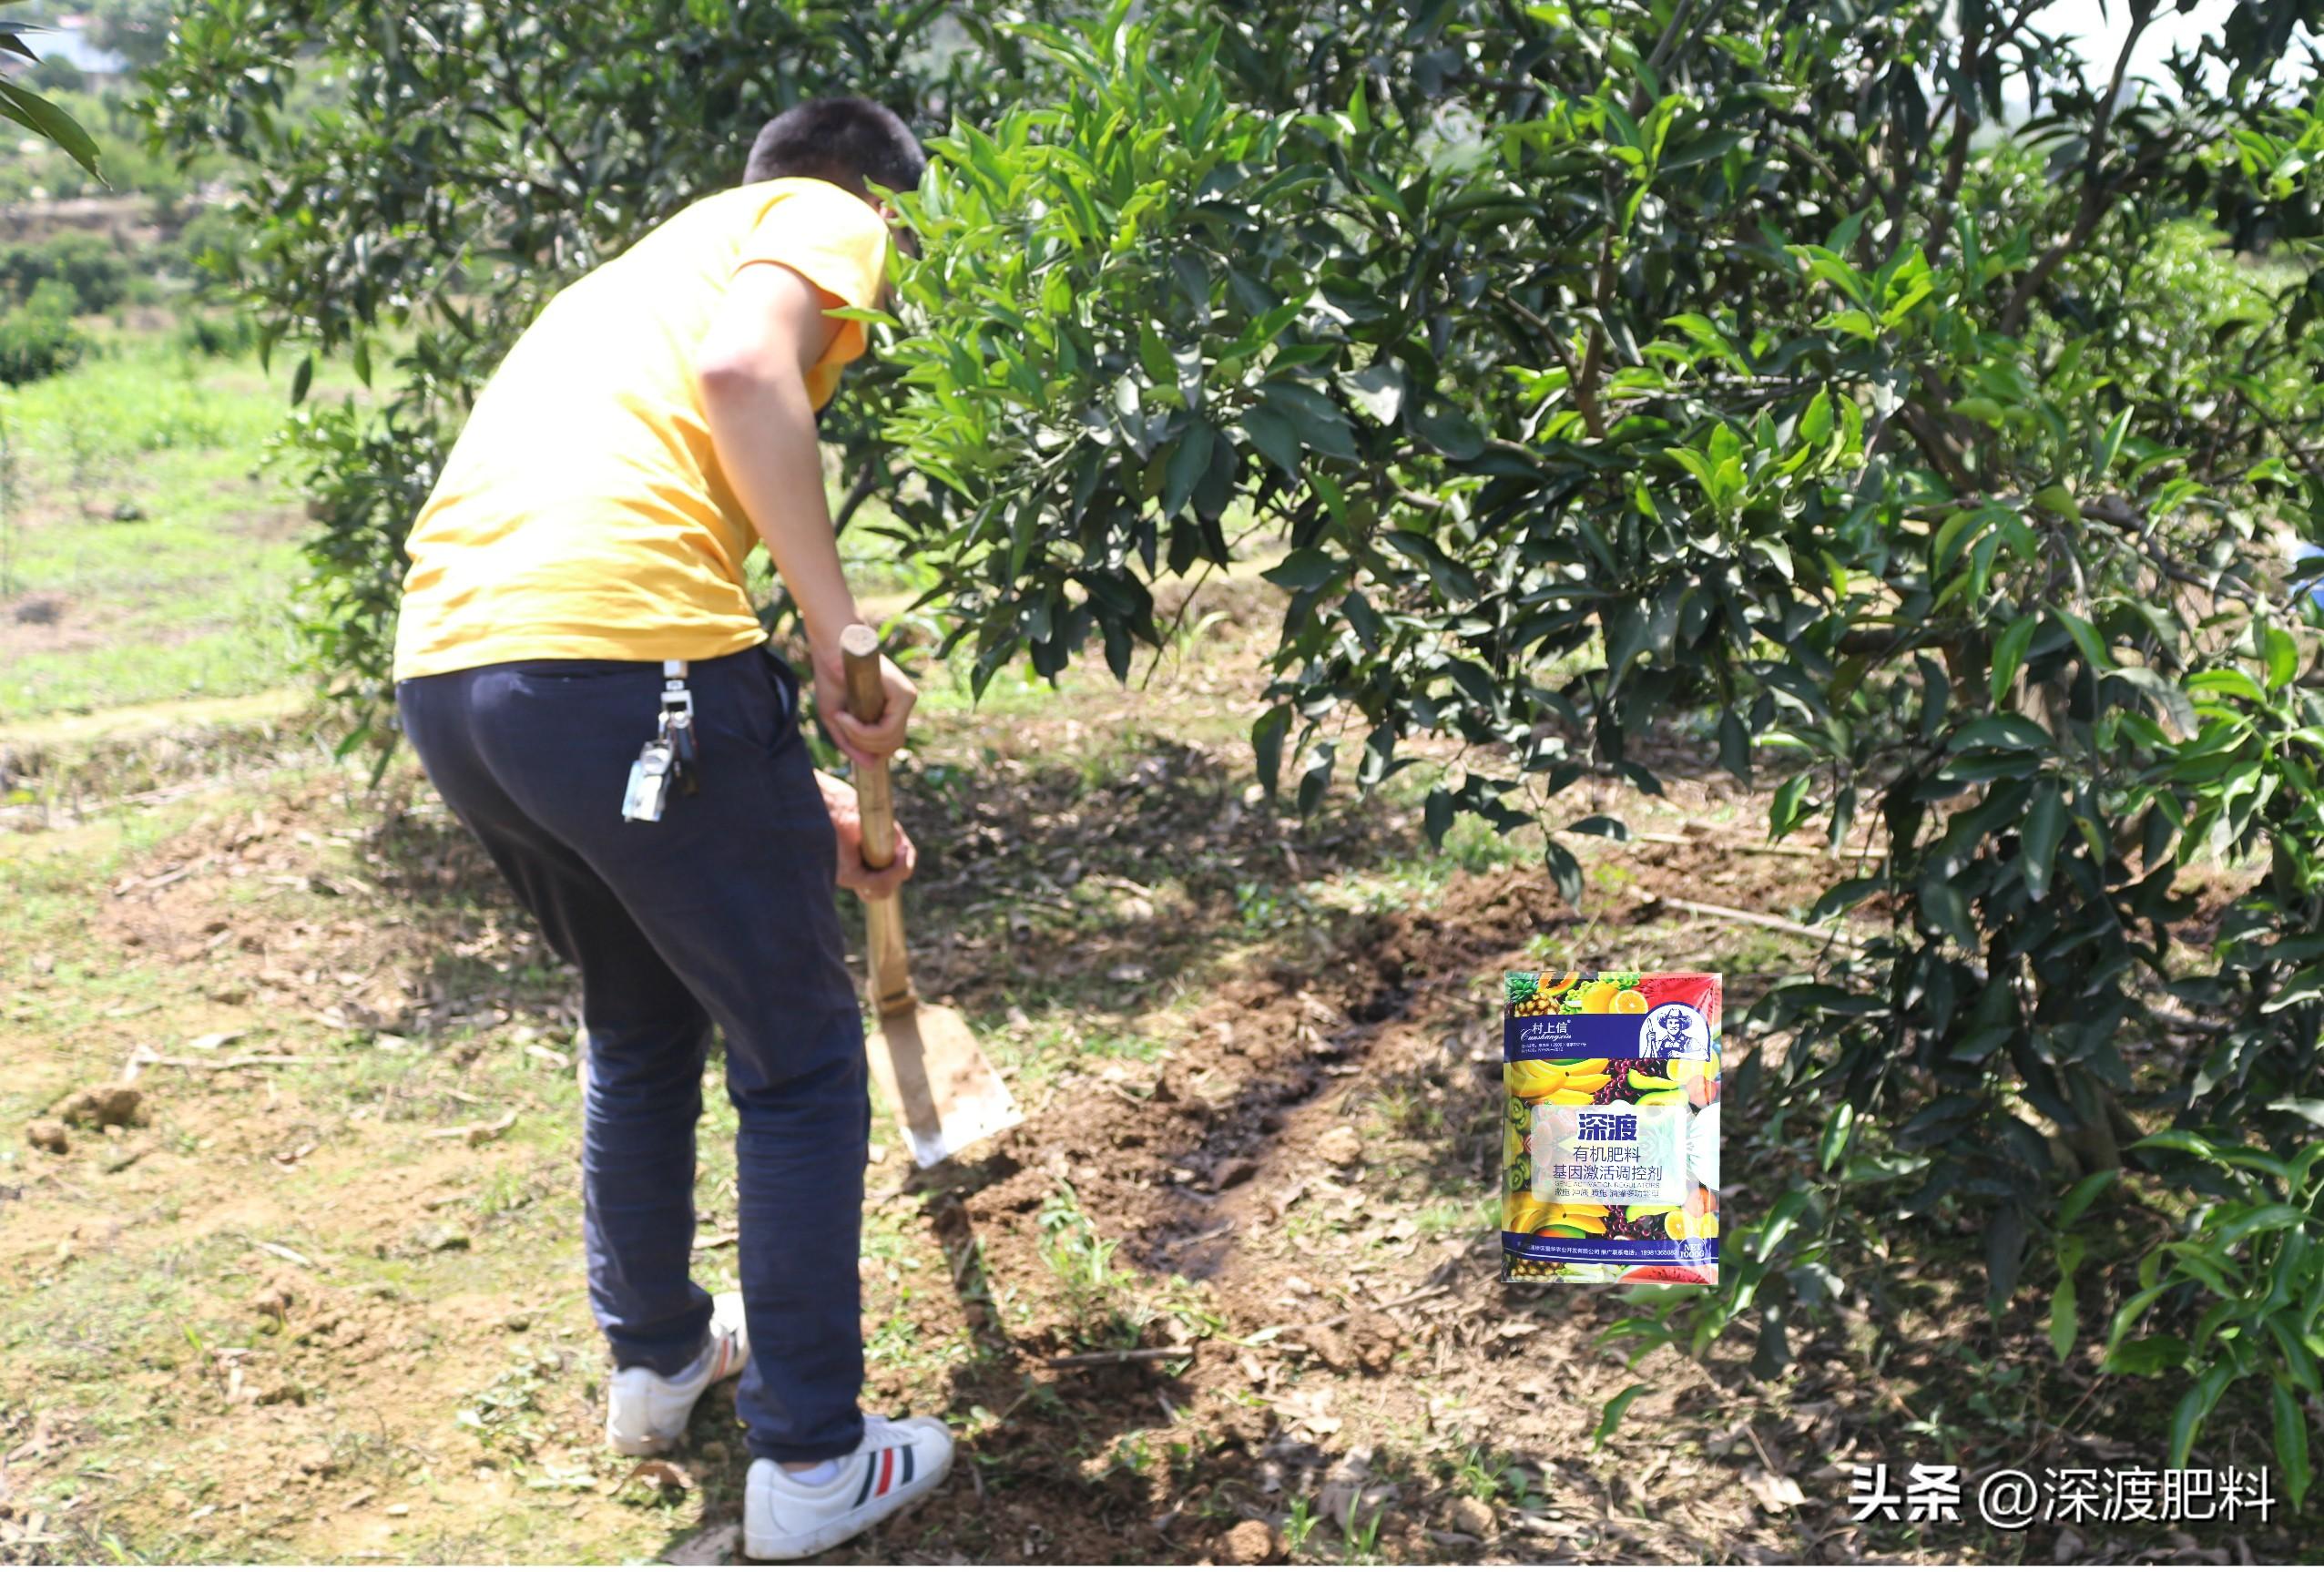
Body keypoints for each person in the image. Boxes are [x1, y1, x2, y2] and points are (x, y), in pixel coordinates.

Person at [391, 97, 951, 1561]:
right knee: (802, 1052)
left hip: (461, 679)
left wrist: (785, 799)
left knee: (640, 1019)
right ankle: (817, 1458)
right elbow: (743, 369)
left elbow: (639, 506)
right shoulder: (827, 213)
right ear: (882, 203)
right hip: (626, 661)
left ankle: (655, 1365)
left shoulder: (633, 272)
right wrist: (838, 645)